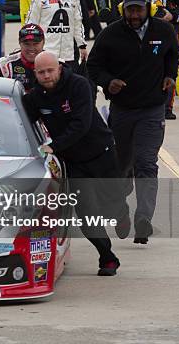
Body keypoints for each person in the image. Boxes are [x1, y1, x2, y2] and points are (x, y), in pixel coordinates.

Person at [23, 51, 129, 276]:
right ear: (35, 73)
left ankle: (121, 212)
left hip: (101, 152)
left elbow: (81, 124)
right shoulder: (35, 97)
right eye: (41, 72)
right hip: (74, 162)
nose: (46, 76)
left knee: (112, 201)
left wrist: (55, 145)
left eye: (50, 70)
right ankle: (107, 258)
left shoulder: (79, 85)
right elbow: (24, 123)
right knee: (86, 212)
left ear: (59, 68)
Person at [87, 0, 179, 244]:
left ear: (148, 8)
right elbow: (93, 66)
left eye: (139, 9)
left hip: (152, 110)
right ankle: (120, 213)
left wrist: (170, 75)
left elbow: (174, 53)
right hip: (122, 111)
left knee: (146, 164)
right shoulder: (110, 34)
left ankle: (144, 220)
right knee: (119, 168)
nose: (135, 14)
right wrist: (109, 82)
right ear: (123, 10)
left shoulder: (163, 31)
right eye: (130, 9)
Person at [26, 0, 87, 70]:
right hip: (47, 51)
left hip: (68, 53)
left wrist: (82, 46)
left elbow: (77, 23)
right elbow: (31, 25)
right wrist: (31, 48)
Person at [0, 23, 45, 92]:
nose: (31, 48)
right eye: (26, 44)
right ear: (19, 42)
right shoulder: (5, 65)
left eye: (36, 44)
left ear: (43, 42)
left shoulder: (54, 64)